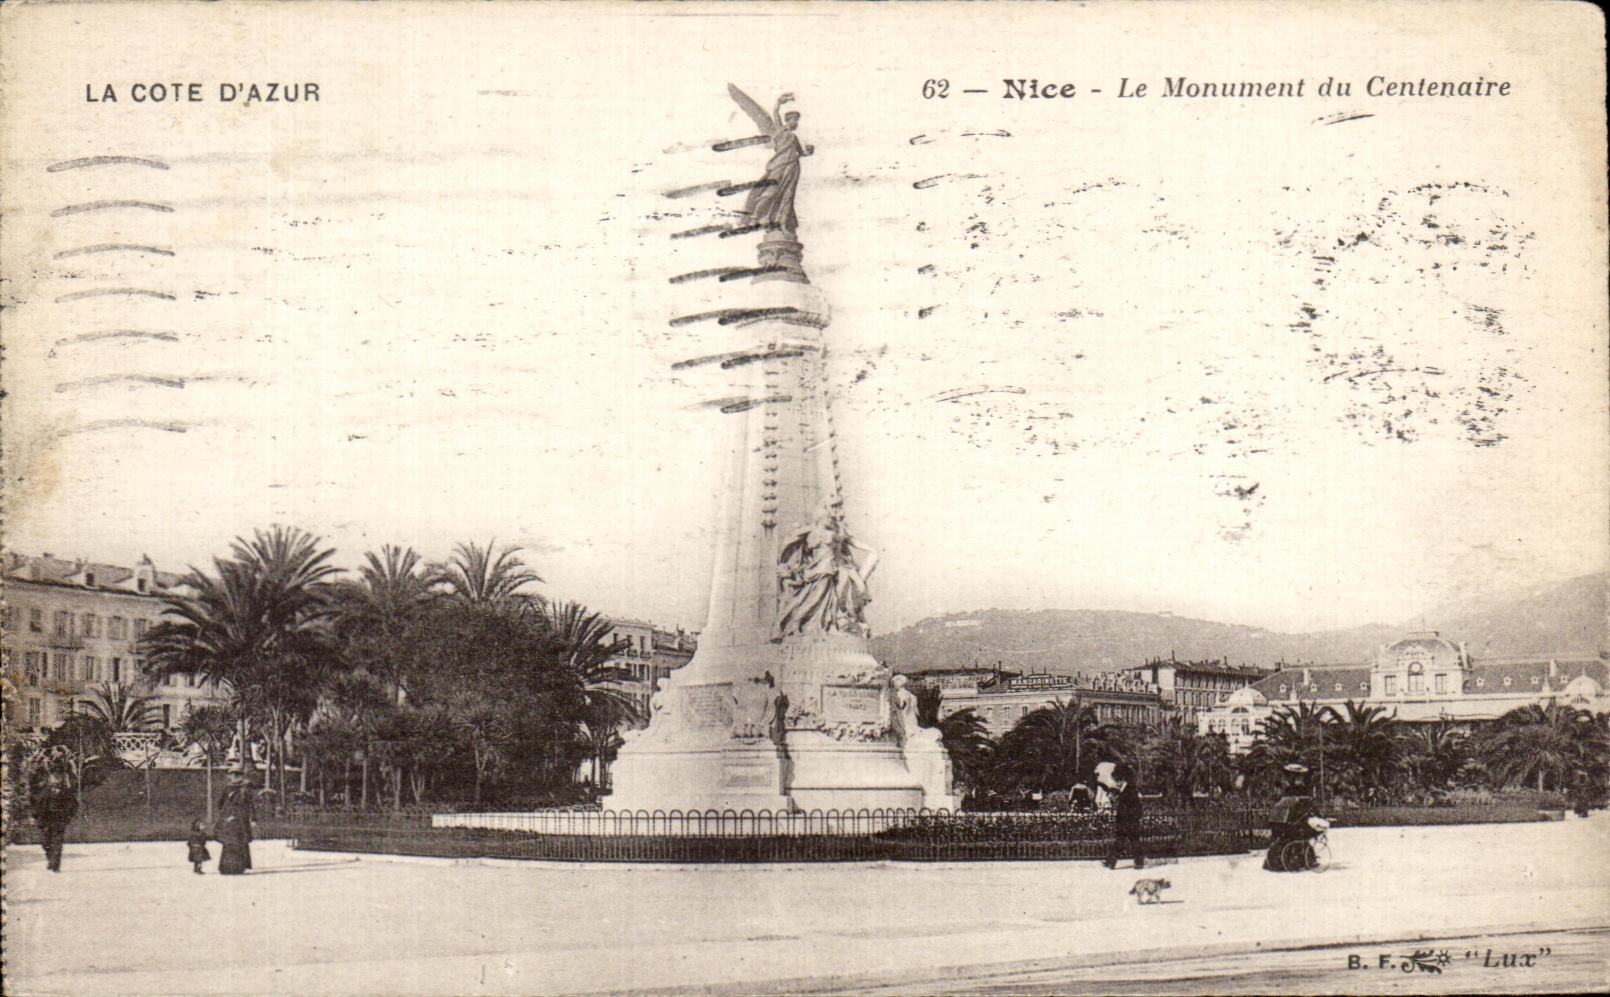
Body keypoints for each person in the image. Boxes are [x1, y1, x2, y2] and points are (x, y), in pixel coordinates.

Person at [27, 746, 78, 872]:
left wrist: (70, 812)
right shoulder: (42, 775)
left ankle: (55, 864)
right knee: (45, 840)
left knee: (57, 839)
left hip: (60, 812)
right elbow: (33, 791)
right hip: (45, 812)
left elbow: (73, 793)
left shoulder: (66, 775)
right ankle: (51, 857)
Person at [1264, 763, 1323, 871]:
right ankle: (1307, 860)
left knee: (1286, 838)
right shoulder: (1300, 789)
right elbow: (1307, 805)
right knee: (1302, 837)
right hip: (1294, 820)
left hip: (1282, 820)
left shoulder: (1286, 789)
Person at [1103, 763, 1145, 870]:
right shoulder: (1127, 789)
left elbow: (1136, 806)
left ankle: (1138, 862)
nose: (1117, 783)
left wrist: (1132, 819)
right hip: (1127, 821)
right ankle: (1111, 862)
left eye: (1117, 780)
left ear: (1122, 779)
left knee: (1131, 842)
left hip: (1128, 821)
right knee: (1123, 842)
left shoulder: (1130, 790)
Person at [215, 770, 256, 874]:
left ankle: (239, 867)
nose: (234, 777)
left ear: (241, 776)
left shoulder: (245, 788)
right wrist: (225, 814)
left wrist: (253, 818)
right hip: (230, 819)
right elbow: (220, 803)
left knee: (240, 842)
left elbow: (251, 805)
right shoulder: (227, 788)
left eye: (237, 775)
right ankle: (227, 867)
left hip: (241, 819)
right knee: (229, 842)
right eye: (232, 775)